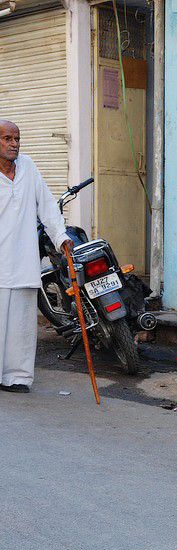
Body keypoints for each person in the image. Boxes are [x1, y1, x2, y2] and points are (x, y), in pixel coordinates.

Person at [0, 120, 73, 394]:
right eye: (7, 138)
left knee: (20, 325)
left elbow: (48, 204)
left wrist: (61, 237)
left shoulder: (28, 167)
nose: (14, 144)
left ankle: (17, 377)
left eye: (17, 138)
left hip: (23, 261)